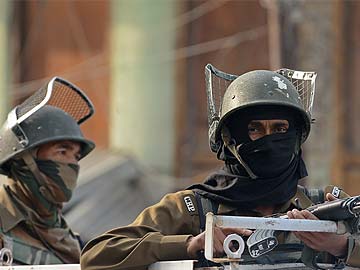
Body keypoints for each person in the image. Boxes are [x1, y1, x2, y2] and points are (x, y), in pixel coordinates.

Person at [80, 67, 360, 270]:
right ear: (230, 139)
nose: (270, 140)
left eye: (280, 129)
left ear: (297, 137)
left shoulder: (325, 206)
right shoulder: (192, 208)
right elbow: (96, 256)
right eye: (255, 129)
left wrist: (338, 245)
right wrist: (192, 244)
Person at [0, 77, 95, 265]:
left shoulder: (72, 241)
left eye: (76, 156)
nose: (72, 164)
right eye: (62, 151)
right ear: (24, 159)